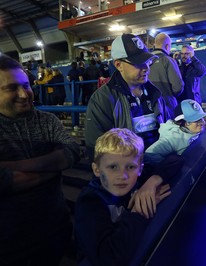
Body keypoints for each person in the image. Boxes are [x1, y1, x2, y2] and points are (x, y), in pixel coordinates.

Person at [0, 54, 80, 265]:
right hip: (9, 244)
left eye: (26, 85)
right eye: (11, 88)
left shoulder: (47, 120)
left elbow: (72, 151)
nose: (24, 94)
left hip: (55, 230)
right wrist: (53, 166)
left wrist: (13, 167)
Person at [85, 33, 176, 219]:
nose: (145, 68)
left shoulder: (156, 94)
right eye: (137, 63)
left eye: (147, 62)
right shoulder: (102, 99)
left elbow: (173, 140)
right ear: (118, 65)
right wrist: (132, 187)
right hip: (126, 182)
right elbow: (97, 152)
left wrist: (154, 179)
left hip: (157, 175)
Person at [75, 128, 171, 266]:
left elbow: (175, 160)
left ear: (140, 169)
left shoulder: (140, 179)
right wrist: (139, 212)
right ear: (97, 170)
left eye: (131, 167)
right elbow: (108, 257)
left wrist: (152, 182)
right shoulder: (90, 202)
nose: (123, 176)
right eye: (113, 167)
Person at [145, 99, 206, 163]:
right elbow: (149, 154)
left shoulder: (195, 131)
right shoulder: (174, 137)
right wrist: (171, 166)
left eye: (201, 118)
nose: (202, 122)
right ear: (182, 122)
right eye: (196, 119)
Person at [149, 32, 184, 118]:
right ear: (167, 46)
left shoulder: (145, 62)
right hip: (168, 107)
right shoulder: (168, 61)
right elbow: (178, 87)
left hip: (150, 109)